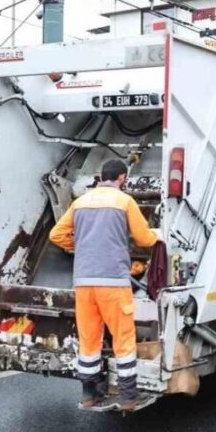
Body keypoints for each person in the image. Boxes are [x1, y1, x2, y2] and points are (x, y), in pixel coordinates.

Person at [49, 159, 158, 411]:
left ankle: (90, 394)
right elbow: (143, 238)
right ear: (122, 178)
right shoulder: (124, 201)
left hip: (84, 283)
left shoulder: (80, 202)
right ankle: (128, 397)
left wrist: (83, 245)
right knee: (123, 337)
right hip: (113, 282)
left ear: (100, 177)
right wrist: (157, 237)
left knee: (89, 339)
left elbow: (56, 235)